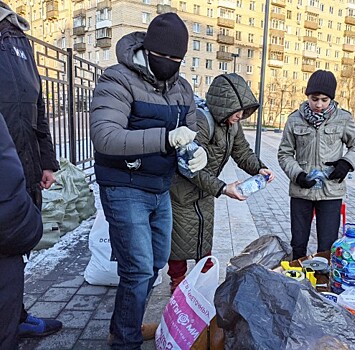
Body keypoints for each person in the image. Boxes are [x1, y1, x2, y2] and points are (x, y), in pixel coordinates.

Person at [90, 12, 207, 349]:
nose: (171, 64)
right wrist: (167, 138)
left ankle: (121, 325)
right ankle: (125, 340)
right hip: (124, 187)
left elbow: (192, 126)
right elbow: (106, 136)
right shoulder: (118, 79)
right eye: (165, 57)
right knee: (139, 269)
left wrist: (193, 151)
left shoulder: (182, 88)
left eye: (178, 59)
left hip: (159, 188)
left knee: (155, 264)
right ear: (148, 50)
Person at [168, 73, 275, 292]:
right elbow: (188, 165)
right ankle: (177, 281)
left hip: (205, 191)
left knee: (203, 234)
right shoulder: (201, 121)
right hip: (181, 190)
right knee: (179, 239)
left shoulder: (231, 125)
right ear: (224, 106)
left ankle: (203, 276)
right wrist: (224, 188)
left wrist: (259, 167)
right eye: (238, 111)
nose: (241, 116)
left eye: (244, 111)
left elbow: (242, 151)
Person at [0, 1, 62, 339]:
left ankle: (17, 316)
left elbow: (37, 106)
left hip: (22, 168)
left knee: (15, 254)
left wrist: (46, 162)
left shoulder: (18, 38)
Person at [277, 70, 355, 259]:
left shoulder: (343, 119)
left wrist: (346, 163)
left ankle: (324, 283)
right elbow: (284, 153)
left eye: (324, 100)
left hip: (331, 192)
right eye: (314, 98)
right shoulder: (294, 119)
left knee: (327, 245)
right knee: (298, 244)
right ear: (307, 95)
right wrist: (298, 175)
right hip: (302, 191)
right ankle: (297, 282)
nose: (319, 104)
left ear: (331, 99)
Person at [0, 114, 44, 349]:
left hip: (22, 182)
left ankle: (19, 316)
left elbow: (37, 119)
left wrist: (47, 163)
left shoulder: (30, 74)